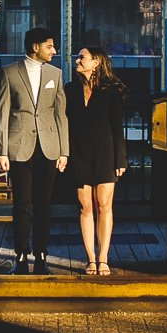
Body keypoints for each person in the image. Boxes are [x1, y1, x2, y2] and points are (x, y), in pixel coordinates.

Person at [0, 26, 68, 274]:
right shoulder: (9, 73)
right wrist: (1, 150)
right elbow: (1, 113)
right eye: (50, 46)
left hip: (49, 147)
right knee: (22, 205)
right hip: (18, 146)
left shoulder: (56, 74)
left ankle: (42, 256)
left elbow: (61, 115)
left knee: (44, 205)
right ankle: (21, 256)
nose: (54, 51)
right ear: (35, 47)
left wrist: (64, 151)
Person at [65, 45, 127, 276]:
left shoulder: (111, 91)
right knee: (85, 206)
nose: (78, 60)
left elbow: (116, 127)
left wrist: (120, 159)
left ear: (96, 62)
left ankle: (103, 258)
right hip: (79, 152)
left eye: (82, 57)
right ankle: (91, 259)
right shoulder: (69, 89)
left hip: (106, 153)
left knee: (105, 205)